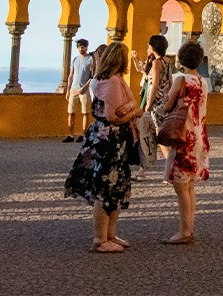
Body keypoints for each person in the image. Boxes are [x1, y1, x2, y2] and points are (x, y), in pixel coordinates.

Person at [64, 41, 139, 253]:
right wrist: (135, 112)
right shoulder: (114, 82)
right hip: (111, 140)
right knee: (107, 187)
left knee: (114, 186)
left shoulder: (99, 79)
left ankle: (109, 235)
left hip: (104, 137)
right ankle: (100, 238)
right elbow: (112, 116)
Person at [158, 40, 210, 245]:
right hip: (198, 135)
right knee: (189, 186)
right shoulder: (203, 82)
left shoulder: (181, 80)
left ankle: (184, 232)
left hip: (183, 136)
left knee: (181, 188)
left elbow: (167, 106)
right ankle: (189, 228)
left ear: (181, 59)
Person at [137, 34, 172, 167]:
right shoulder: (167, 61)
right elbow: (170, 81)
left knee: (160, 136)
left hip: (157, 103)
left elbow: (154, 85)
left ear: (153, 47)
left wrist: (148, 104)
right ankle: (144, 168)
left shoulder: (156, 62)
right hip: (166, 100)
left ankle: (171, 166)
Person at [62, 38, 93, 143]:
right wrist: (68, 90)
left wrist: (84, 88)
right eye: (79, 47)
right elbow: (71, 75)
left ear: (86, 47)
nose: (81, 49)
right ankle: (70, 134)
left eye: (82, 47)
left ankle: (84, 134)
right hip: (74, 90)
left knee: (85, 112)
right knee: (71, 112)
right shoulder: (75, 59)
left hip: (84, 90)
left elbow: (92, 76)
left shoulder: (90, 59)